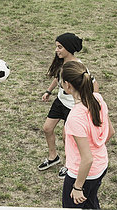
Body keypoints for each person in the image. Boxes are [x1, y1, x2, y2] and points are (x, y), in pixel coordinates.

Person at [39, 32, 98, 178]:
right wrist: (49, 91)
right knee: (47, 128)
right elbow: (57, 78)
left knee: (68, 138)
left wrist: (91, 102)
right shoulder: (61, 62)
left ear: (69, 48)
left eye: (59, 47)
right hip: (60, 102)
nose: (56, 50)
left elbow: (94, 84)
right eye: (56, 47)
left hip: (73, 107)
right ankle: (53, 157)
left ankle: (68, 165)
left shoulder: (79, 66)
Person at [60, 61, 114, 209]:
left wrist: (77, 187)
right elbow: (110, 131)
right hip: (101, 166)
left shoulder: (75, 117)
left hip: (83, 175)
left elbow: (87, 159)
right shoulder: (98, 98)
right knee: (91, 207)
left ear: (67, 85)